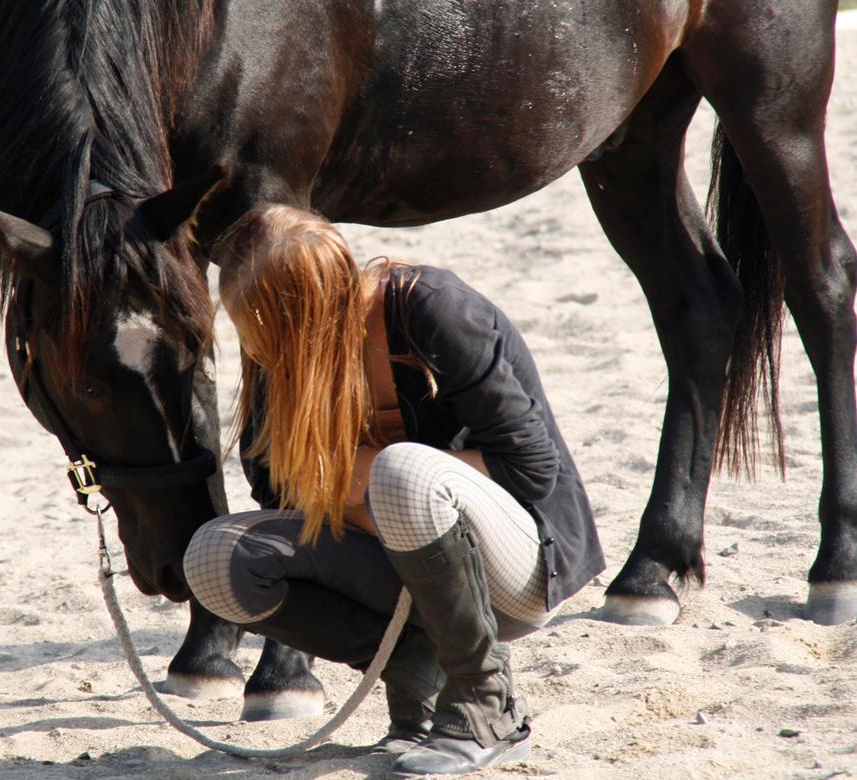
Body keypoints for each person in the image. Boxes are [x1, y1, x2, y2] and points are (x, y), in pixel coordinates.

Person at [183, 205, 604, 777]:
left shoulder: (432, 309)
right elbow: (270, 484)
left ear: (301, 312)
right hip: (396, 558)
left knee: (403, 472)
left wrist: (353, 476)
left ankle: (486, 708)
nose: (257, 351)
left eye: (261, 330)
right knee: (214, 558)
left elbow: (530, 470)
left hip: (517, 566)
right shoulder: (279, 351)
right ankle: (416, 677)